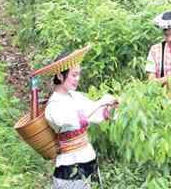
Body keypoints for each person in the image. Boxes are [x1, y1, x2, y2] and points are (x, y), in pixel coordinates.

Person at [43, 46, 119, 188]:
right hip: (69, 166)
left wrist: (109, 107)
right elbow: (74, 120)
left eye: (79, 74)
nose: (77, 79)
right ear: (60, 75)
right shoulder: (53, 105)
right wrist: (100, 102)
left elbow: (95, 115)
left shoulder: (76, 96)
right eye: (73, 75)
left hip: (89, 159)